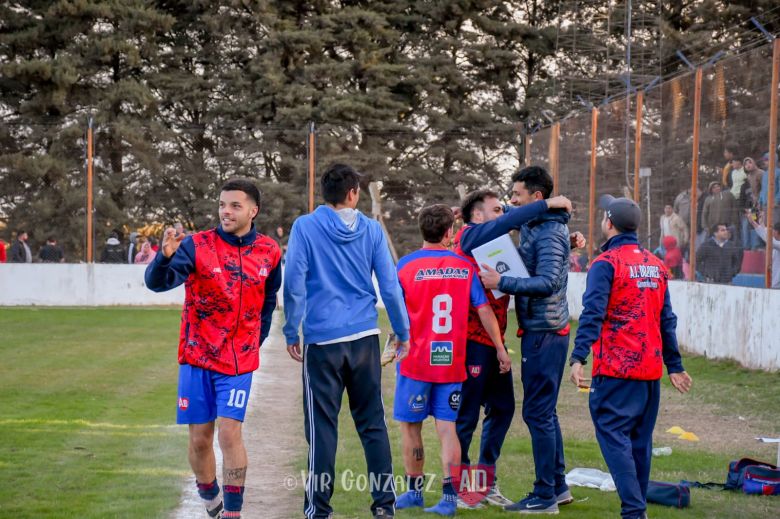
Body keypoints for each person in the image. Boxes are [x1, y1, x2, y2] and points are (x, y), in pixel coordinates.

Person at [145, 178, 282, 519]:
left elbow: (269, 299)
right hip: (197, 357)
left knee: (229, 433)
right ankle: (210, 499)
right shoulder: (196, 245)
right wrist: (164, 258)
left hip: (238, 362)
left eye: (235, 205)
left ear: (254, 210)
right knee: (200, 440)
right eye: (222, 204)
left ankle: (233, 513)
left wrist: (256, 339)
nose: (226, 211)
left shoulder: (269, 251)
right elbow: (157, 284)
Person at [282, 163, 411, 519]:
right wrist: (402, 331)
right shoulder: (370, 230)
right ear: (353, 193)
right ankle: (385, 506)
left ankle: (319, 510)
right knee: (373, 424)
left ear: (325, 193)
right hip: (364, 340)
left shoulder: (305, 226)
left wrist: (292, 331)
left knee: (322, 427)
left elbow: (293, 282)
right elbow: (389, 286)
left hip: (322, 341)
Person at [569, 194, 692, 519]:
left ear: (609, 222)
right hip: (649, 372)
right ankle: (637, 511)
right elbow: (667, 319)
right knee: (639, 441)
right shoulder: (655, 263)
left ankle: (635, 511)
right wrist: (674, 365)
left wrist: (578, 356)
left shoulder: (605, 264)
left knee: (613, 434)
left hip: (616, 371)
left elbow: (592, 313)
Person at [452, 188, 577, 510]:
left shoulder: (490, 243)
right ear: (479, 216)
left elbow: (525, 262)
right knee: (466, 417)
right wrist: (548, 203)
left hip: (493, 343)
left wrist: (564, 244)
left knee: (503, 409)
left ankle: (485, 483)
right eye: (497, 210)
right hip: (472, 342)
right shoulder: (470, 235)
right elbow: (514, 220)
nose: (504, 215)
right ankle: (461, 490)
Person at [393, 204, 510, 515]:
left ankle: (414, 493)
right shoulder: (463, 266)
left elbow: (397, 313)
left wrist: (393, 341)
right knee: (448, 429)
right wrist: (499, 347)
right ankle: (448, 499)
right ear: (449, 233)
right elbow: (484, 310)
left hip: (415, 362)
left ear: (422, 230)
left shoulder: (405, 266)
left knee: (411, 427)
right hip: (450, 362)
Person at [749, 217, 780, 288]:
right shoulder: (776, 242)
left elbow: (769, 240)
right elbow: (766, 233)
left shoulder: (776, 244)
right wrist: (761, 222)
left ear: (777, 232)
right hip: (774, 282)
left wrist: (753, 223)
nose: (772, 232)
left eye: (774, 231)